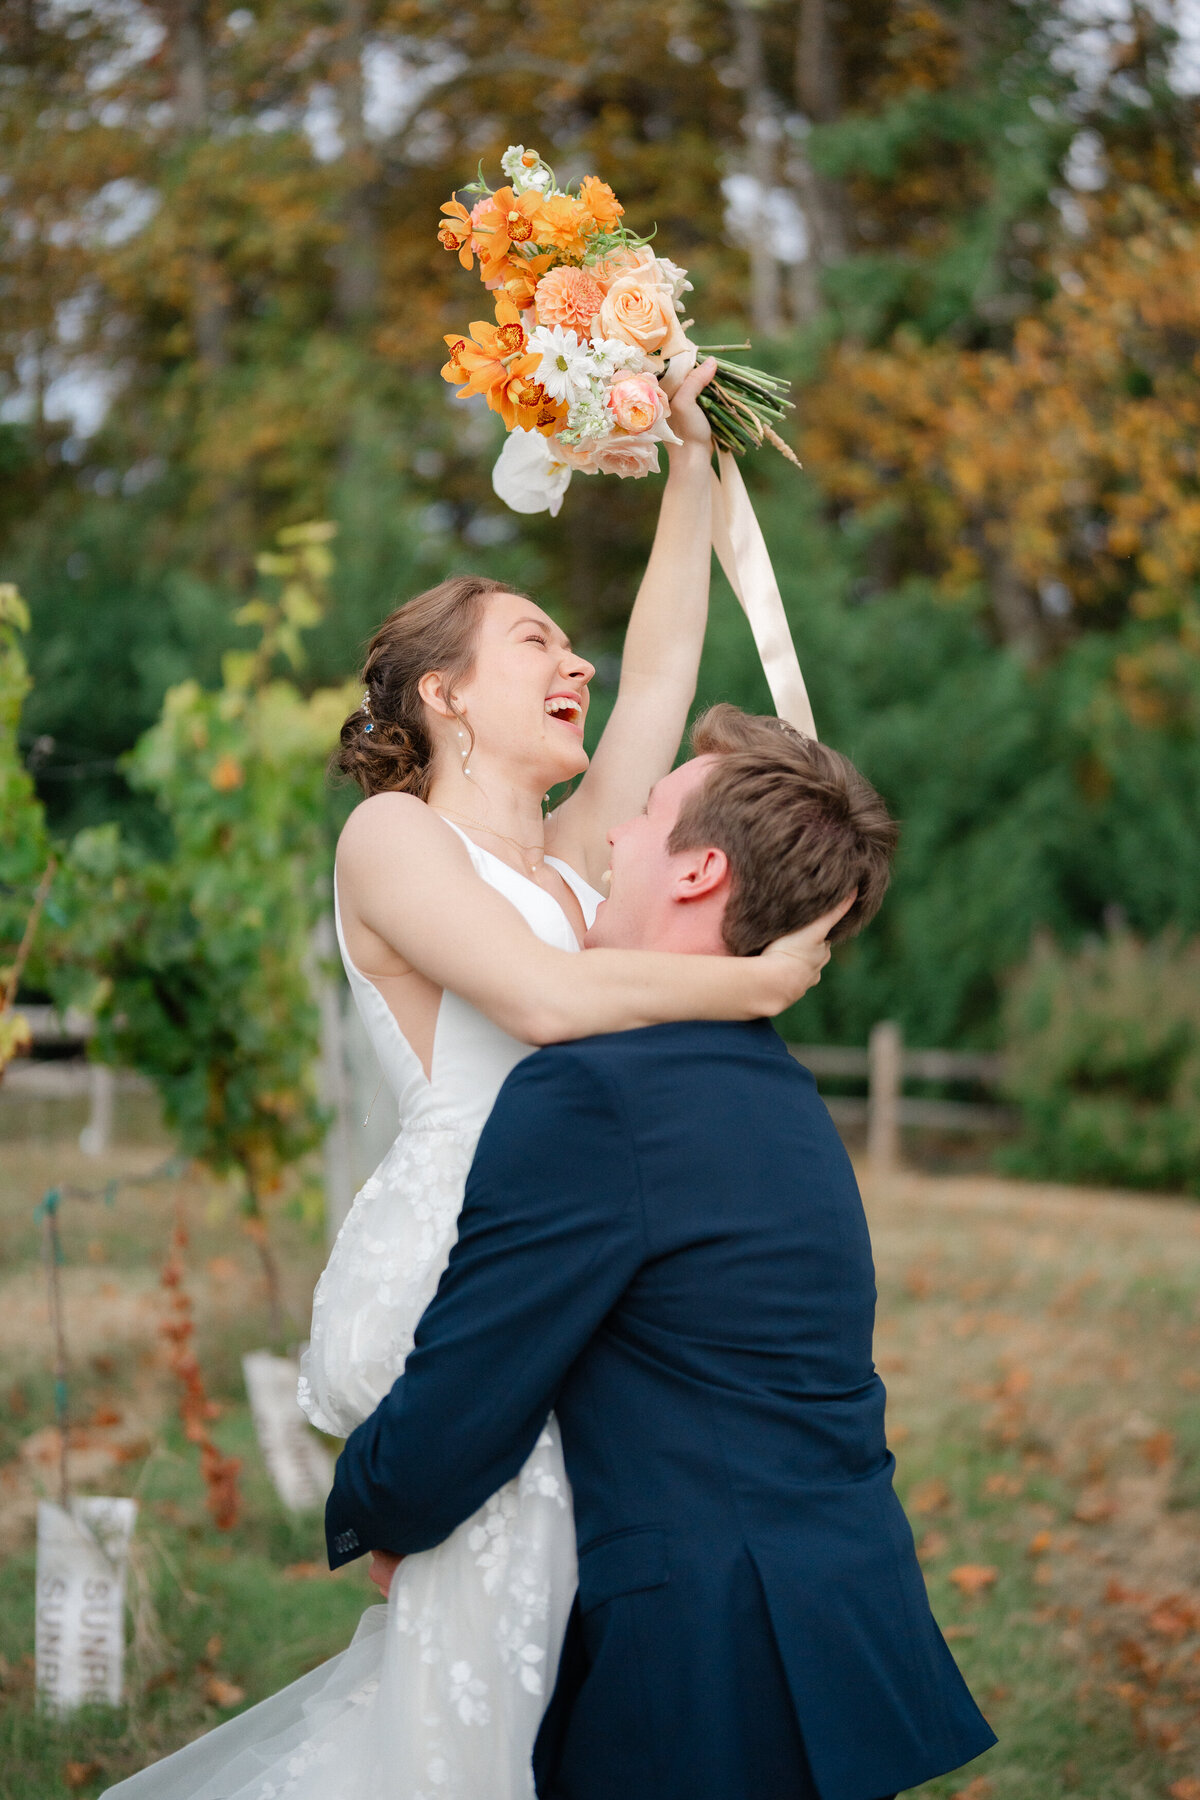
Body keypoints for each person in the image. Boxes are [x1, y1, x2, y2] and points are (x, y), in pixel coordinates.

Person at [101, 369, 840, 1800]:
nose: (576, 667)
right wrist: (745, 987)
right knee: (483, 1673)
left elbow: (667, 663)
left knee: (538, 1650)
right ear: (443, 692)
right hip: (466, 1272)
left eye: (572, 645)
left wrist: (692, 466)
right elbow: (545, 1001)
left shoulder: (566, 861)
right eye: (534, 643)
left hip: (566, 1265)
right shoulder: (392, 838)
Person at [327, 706, 998, 1800]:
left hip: (704, 1674)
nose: (611, 844)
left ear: (698, 874)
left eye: (643, 819)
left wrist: (373, 1503)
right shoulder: (774, 1087)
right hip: (835, 1633)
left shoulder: (596, 1096)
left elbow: (469, 1390)